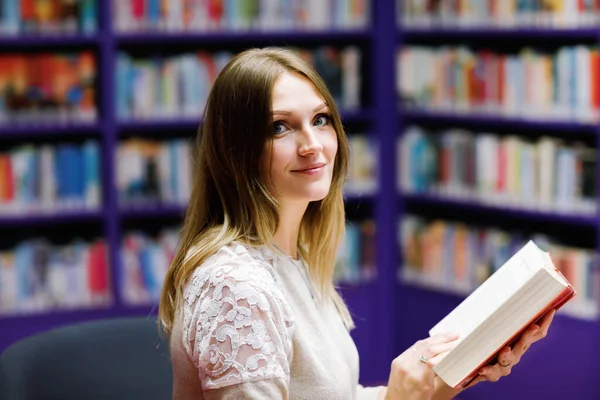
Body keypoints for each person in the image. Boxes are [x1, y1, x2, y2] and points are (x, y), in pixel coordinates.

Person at [158, 47, 556, 400]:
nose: (312, 144)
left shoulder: (290, 258)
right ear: (234, 151)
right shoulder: (237, 287)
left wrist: (454, 372)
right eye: (279, 127)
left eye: (320, 119)